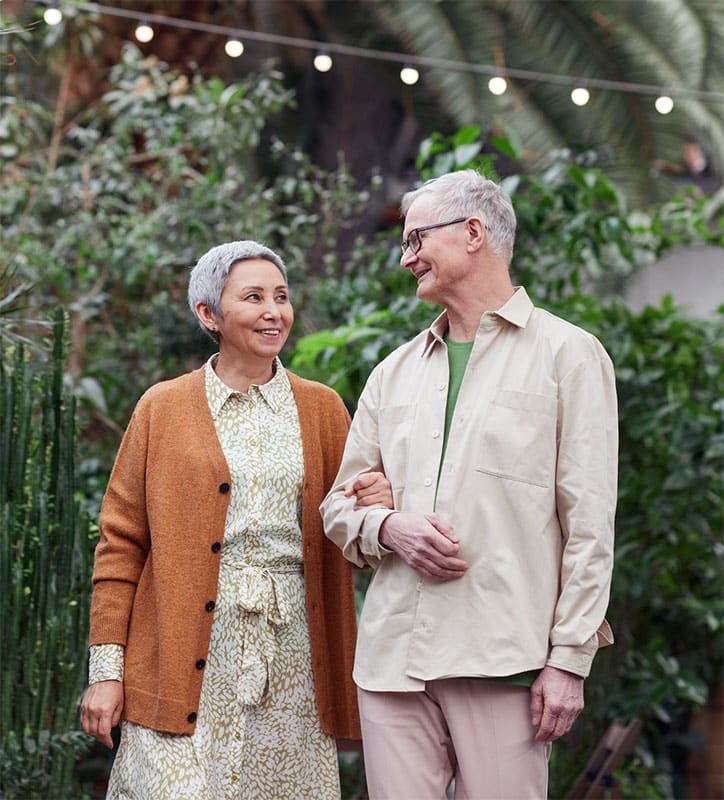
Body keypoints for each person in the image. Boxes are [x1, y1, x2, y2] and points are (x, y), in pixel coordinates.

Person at [321, 170, 618, 800]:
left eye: (415, 240)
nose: (406, 259)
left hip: (504, 659)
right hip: (392, 662)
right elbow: (338, 507)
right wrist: (388, 526)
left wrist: (569, 660)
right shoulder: (391, 373)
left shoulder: (570, 356)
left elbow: (590, 525)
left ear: (473, 233)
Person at [80, 240, 392, 800]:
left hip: (291, 656)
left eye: (282, 296)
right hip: (178, 656)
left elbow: (351, 527)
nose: (274, 311)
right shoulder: (161, 408)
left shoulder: (323, 409)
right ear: (209, 315)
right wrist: (106, 671)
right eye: (253, 297)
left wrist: (375, 500)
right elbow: (120, 543)